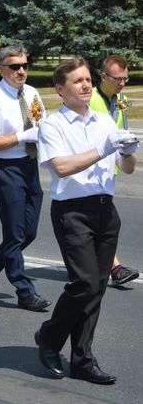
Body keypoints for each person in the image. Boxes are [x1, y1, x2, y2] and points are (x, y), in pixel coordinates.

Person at [35, 57, 138, 384]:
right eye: (77, 81)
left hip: (105, 210)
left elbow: (128, 168)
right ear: (60, 89)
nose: (85, 85)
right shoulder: (53, 125)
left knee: (97, 288)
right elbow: (61, 167)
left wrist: (128, 150)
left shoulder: (104, 120)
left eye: (87, 79)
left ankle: (82, 360)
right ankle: (50, 338)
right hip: (72, 211)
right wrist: (103, 148)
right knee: (84, 284)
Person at [0, 45, 50, 311]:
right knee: (15, 234)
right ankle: (24, 290)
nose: (21, 71)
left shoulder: (31, 93)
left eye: (25, 66)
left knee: (28, 233)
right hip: (5, 170)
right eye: (15, 66)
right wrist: (21, 137)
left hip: (30, 167)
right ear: (1, 69)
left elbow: (43, 122)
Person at [89, 55, 139, 286]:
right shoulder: (89, 99)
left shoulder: (122, 99)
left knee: (101, 221)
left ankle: (97, 264)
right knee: (108, 220)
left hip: (110, 170)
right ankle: (115, 268)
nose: (122, 84)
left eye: (125, 79)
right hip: (88, 169)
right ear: (103, 77)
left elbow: (123, 130)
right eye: (118, 79)